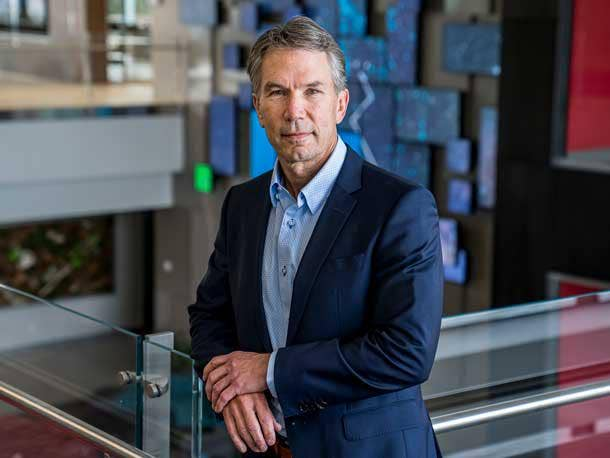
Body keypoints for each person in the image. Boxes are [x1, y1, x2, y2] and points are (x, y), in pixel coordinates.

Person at [188, 16, 443, 458]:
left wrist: (267, 372)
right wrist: (232, 389)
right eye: (277, 92)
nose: (294, 111)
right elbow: (209, 316)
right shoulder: (242, 205)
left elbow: (407, 352)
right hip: (269, 449)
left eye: (312, 91)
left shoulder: (401, 207)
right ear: (258, 107)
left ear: (340, 104)